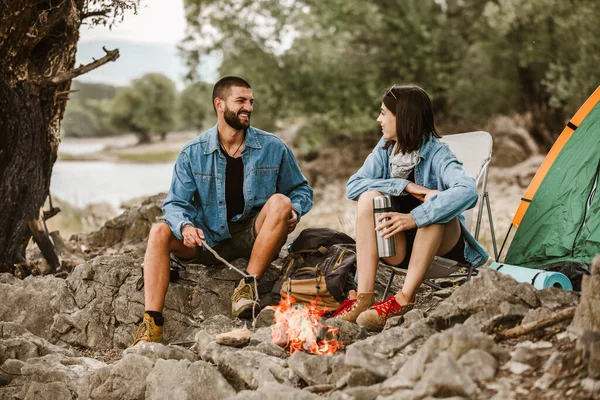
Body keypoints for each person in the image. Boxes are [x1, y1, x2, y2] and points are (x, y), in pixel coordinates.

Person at [133, 76, 314, 345]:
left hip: (255, 239)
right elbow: (175, 204)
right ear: (219, 104)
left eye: (251, 101)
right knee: (159, 230)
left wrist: (295, 211)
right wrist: (184, 226)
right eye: (240, 101)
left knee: (281, 202)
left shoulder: (273, 147)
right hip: (207, 240)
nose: (248, 107)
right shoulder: (192, 153)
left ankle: (247, 286)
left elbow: (301, 190)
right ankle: (151, 323)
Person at [332, 85, 488, 332]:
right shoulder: (385, 149)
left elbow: (467, 190)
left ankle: (405, 298)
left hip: (442, 245)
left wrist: (416, 217)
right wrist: (404, 186)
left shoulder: (438, 153)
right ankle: (364, 298)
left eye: (384, 113)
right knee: (367, 197)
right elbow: (353, 186)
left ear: (403, 117)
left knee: (435, 205)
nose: (378, 119)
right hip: (400, 247)